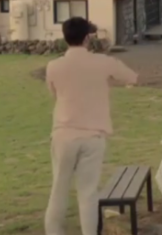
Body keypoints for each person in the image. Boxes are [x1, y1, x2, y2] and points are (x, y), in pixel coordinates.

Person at [44, 17, 138, 235]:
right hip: (93, 136)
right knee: (88, 193)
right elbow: (132, 77)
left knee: (59, 190)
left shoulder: (54, 66)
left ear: (65, 38)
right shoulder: (103, 62)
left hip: (64, 134)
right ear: (87, 38)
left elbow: (54, 93)